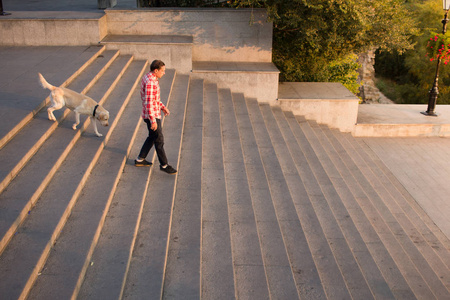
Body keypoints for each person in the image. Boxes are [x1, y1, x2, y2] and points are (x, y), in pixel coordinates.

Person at [135, 60, 177, 174]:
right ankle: (164, 165)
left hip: (152, 113)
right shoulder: (150, 82)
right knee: (159, 140)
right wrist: (153, 121)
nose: (164, 73)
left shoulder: (151, 78)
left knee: (152, 137)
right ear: (156, 70)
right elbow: (149, 103)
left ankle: (140, 159)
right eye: (162, 71)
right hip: (151, 116)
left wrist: (162, 107)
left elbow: (154, 99)